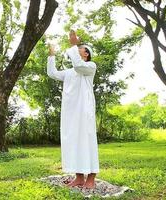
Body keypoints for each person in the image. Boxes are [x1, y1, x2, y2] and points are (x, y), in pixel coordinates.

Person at [46, 30, 99, 189]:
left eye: (81, 49)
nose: (79, 50)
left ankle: (91, 177)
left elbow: (78, 65)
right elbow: (52, 73)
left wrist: (74, 44)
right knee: (74, 141)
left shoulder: (89, 67)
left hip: (85, 111)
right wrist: (52, 55)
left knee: (87, 140)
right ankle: (79, 177)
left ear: (87, 54)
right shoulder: (69, 72)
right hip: (71, 113)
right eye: (78, 48)